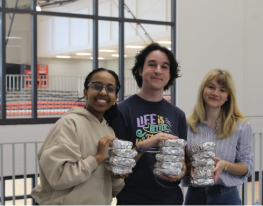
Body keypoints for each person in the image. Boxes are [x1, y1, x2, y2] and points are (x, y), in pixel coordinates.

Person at [31, 68, 124, 205]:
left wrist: (116, 176)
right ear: (85, 93)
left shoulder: (109, 131)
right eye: (97, 86)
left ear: (116, 97)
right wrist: (97, 157)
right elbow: (59, 177)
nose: (103, 92)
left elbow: (112, 189)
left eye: (110, 89)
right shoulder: (69, 123)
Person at [110, 43, 187, 205]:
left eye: (164, 67)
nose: (158, 70)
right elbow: (117, 167)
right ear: (140, 70)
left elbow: (182, 160)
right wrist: (143, 145)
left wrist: (182, 172)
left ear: (169, 74)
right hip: (133, 198)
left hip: (170, 199)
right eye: (152, 64)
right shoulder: (122, 111)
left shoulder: (178, 115)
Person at [183, 69, 254, 205]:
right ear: (203, 90)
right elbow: (182, 167)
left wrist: (224, 165)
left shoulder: (241, 126)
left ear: (228, 96)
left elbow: (247, 167)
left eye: (222, 90)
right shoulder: (186, 124)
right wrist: (192, 166)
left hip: (227, 197)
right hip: (195, 197)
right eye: (211, 87)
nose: (215, 93)